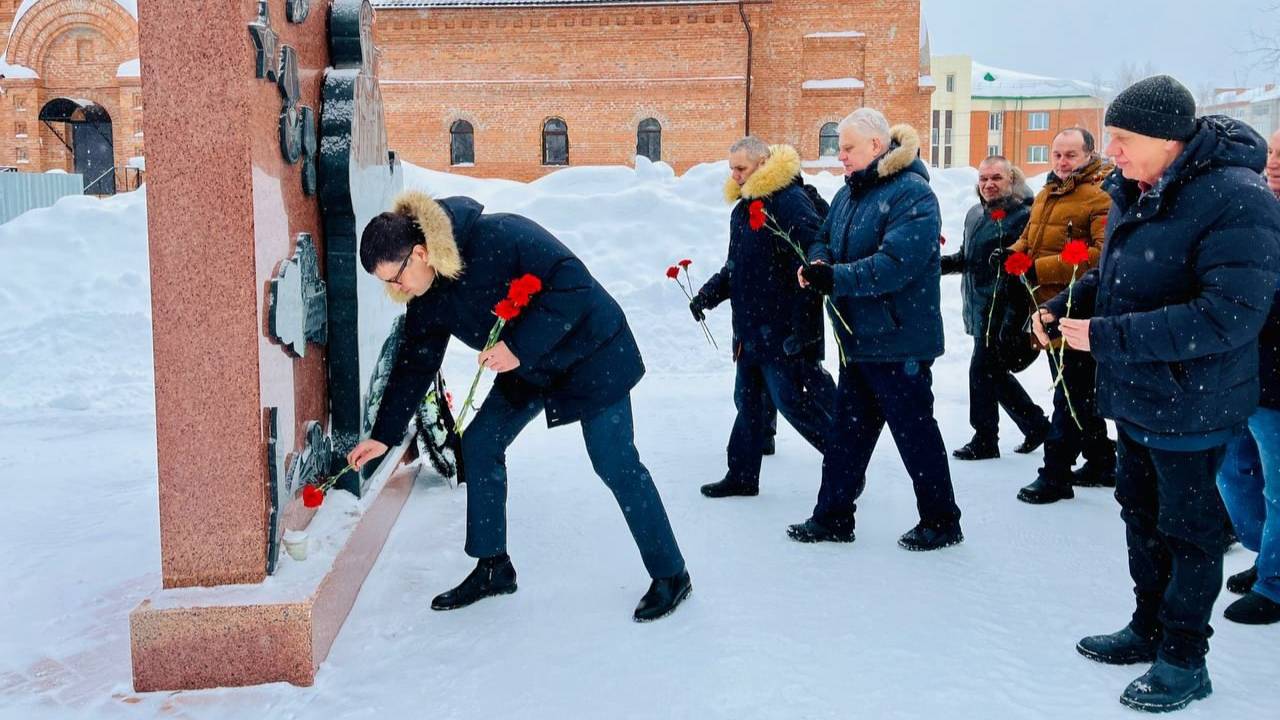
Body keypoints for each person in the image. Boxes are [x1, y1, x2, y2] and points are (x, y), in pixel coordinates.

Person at [1034, 76, 1280, 712]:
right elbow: (1116, 279)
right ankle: (1148, 625)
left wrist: (1107, 337)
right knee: (1140, 516)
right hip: (1139, 394)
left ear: (1169, 139)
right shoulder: (1136, 188)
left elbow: (1230, 314)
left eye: (1121, 140)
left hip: (1195, 400)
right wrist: (1067, 304)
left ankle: (1183, 657)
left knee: (1189, 533)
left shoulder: (1238, 197)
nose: (1110, 152)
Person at [346, 191, 691, 622]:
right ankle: (493, 567)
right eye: (385, 284)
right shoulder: (427, 294)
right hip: (530, 368)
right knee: (480, 442)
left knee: (614, 460)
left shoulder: (498, 236)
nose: (394, 289)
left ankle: (671, 574)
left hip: (591, 353)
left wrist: (518, 346)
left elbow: (574, 283)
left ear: (420, 253)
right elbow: (416, 361)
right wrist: (384, 434)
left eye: (395, 278)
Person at [785, 107, 963, 551]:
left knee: (914, 433)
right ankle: (833, 518)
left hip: (900, 339)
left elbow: (896, 264)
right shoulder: (849, 195)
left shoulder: (913, 195)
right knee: (848, 436)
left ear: (876, 146)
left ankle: (942, 521)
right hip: (859, 339)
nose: (839, 155)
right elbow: (823, 236)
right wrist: (821, 261)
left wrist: (837, 279)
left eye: (846, 148)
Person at [691, 138, 835, 498]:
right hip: (751, 328)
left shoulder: (787, 201)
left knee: (790, 400)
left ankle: (845, 462)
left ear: (763, 163)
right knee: (749, 401)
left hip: (785, 326)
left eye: (741, 168)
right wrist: (708, 295)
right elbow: (736, 267)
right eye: (732, 169)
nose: (735, 176)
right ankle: (741, 474)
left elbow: (816, 248)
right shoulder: (743, 210)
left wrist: (812, 284)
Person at [997, 127, 1116, 503]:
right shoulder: (1048, 192)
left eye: (1071, 155)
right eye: (1058, 155)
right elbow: (1030, 238)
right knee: (1075, 391)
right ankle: (1101, 460)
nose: (1063, 162)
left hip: (1079, 309)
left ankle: (1055, 474)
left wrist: (1040, 268)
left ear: (1089, 155)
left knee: (1070, 393)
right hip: (1046, 309)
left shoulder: (1100, 197)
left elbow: (1101, 256)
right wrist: (1011, 253)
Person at [941, 155, 1050, 460]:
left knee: (982, 372)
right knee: (993, 374)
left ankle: (986, 438)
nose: (989, 184)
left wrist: (1014, 319)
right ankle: (1036, 425)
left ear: (1011, 179)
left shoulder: (1023, 216)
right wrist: (935, 264)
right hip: (979, 308)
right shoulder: (975, 214)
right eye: (984, 178)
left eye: (996, 178)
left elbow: (1023, 269)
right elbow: (966, 258)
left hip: (1003, 311)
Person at [1214, 126, 1280, 626]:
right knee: (1233, 473)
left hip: (1276, 377)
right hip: (1241, 370)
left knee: (1277, 484)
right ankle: (1266, 555)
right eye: (1273, 152)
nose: (1274, 162)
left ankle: (1274, 583)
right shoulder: (1250, 207)